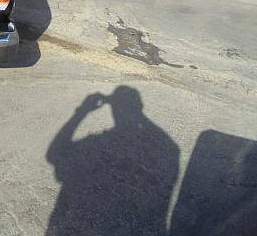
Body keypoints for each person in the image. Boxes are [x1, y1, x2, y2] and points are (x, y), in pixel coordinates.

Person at [45, 86, 179, 236]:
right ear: (139, 106)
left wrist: (82, 112)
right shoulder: (170, 147)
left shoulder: (103, 141)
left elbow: (54, 154)